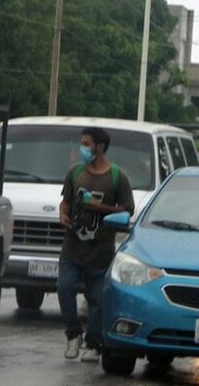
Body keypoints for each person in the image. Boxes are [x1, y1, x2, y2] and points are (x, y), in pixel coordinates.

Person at [58, 127, 134, 362]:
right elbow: (65, 201)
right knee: (64, 288)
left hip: (100, 251)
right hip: (72, 248)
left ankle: (94, 344)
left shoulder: (117, 177)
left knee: (97, 300)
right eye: (81, 143)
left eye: (86, 144)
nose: (82, 148)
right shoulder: (75, 172)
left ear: (100, 147)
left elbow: (127, 211)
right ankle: (73, 335)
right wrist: (63, 214)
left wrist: (100, 208)